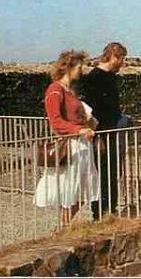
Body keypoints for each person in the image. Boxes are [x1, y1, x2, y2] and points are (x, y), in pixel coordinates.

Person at [34, 50, 100, 227]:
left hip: (82, 144)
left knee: (82, 189)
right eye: (79, 67)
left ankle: (63, 227)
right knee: (71, 188)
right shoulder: (55, 90)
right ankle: (62, 228)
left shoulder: (70, 91)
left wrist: (87, 120)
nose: (81, 71)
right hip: (71, 144)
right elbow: (55, 122)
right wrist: (78, 129)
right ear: (68, 67)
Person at [81, 42, 127, 220]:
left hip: (111, 131)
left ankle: (111, 210)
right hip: (102, 133)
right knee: (101, 173)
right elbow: (91, 111)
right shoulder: (95, 78)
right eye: (122, 58)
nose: (122, 63)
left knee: (112, 171)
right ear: (114, 56)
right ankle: (100, 212)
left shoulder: (109, 77)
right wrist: (97, 136)